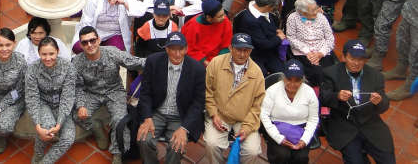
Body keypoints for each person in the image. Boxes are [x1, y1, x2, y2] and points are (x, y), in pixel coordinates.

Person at [73, 27, 145, 164]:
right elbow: (78, 86)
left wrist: (158, 61)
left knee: (120, 122)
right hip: (92, 93)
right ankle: (96, 128)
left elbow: (133, 62)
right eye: (85, 42)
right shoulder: (77, 62)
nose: (89, 45)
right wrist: (81, 105)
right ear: (81, 45)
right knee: (76, 115)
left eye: (92, 40)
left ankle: (117, 154)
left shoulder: (111, 52)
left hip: (114, 91)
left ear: (99, 40)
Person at [320, 39, 395, 164]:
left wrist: (380, 101)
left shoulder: (376, 76)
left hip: (371, 126)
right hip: (344, 125)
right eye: (352, 58)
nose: (356, 63)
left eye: (360, 59)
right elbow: (323, 97)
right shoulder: (330, 73)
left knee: (388, 161)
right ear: (343, 57)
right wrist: (337, 96)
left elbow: (384, 106)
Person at [137, 31, 206, 164]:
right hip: (157, 112)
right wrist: (147, 118)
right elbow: (145, 93)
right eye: (173, 49)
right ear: (167, 49)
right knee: (143, 140)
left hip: (180, 116)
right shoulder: (153, 61)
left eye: (181, 49)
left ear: (187, 49)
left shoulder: (197, 69)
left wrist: (184, 128)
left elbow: (198, 103)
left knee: (177, 146)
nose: (177, 54)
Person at [204, 33, 265, 164]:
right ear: (230, 48)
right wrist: (214, 114)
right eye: (239, 49)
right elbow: (207, 92)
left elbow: (257, 105)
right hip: (219, 116)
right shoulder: (215, 63)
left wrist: (247, 128)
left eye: (246, 50)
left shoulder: (257, 72)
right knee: (211, 144)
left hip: (244, 119)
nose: (242, 54)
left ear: (251, 50)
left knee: (252, 151)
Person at [25, 37, 76, 164]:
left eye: (51, 53)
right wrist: (37, 125)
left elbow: (67, 97)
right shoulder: (32, 70)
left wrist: (59, 124)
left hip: (62, 106)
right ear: (39, 53)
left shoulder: (68, 68)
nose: (48, 58)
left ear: (58, 51)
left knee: (68, 138)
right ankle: (38, 154)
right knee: (45, 127)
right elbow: (32, 98)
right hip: (44, 103)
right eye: (44, 54)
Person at [260, 59, 320, 164]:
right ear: (283, 78)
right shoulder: (272, 90)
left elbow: (313, 118)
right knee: (282, 155)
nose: (292, 84)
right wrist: (278, 138)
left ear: (302, 79)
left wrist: (305, 139)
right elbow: (264, 115)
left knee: (300, 158)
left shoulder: (309, 92)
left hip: (301, 130)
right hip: (276, 127)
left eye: (297, 80)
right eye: (289, 79)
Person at [73, 0, 144, 54]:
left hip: (114, 34)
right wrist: (91, 38)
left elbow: (140, 13)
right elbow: (87, 21)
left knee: (114, 52)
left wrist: (124, 3)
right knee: (78, 48)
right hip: (95, 32)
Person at [285, 0, 337, 86]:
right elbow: (291, 38)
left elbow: (330, 38)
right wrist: (307, 52)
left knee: (330, 72)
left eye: (316, 8)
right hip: (302, 51)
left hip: (322, 49)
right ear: (301, 11)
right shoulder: (292, 18)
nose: (316, 12)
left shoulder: (321, 17)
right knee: (315, 73)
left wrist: (321, 53)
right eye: (312, 10)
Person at [236, 0, 285, 76]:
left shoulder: (269, 14)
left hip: (270, 53)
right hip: (254, 54)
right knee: (261, 75)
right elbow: (263, 44)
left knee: (283, 73)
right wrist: (279, 37)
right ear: (267, 6)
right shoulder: (250, 20)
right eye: (274, 6)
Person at [182, 0, 232, 66]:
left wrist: (218, 61)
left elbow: (227, 44)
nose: (224, 17)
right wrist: (205, 62)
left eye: (223, 14)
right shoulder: (192, 27)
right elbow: (189, 49)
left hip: (220, 59)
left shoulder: (224, 20)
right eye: (220, 16)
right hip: (199, 63)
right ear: (209, 18)